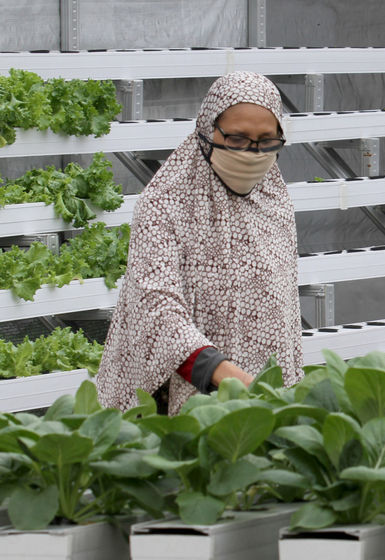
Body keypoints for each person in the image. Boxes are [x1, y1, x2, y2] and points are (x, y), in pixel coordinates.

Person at [97, 71, 303, 415]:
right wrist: (232, 379)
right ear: (208, 130)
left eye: (267, 140)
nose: (252, 153)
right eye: (237, 139)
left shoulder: (274, 202)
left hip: (262, 401)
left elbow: (284, 315)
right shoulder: (164, 204)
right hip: (178, 403)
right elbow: (157, 310)